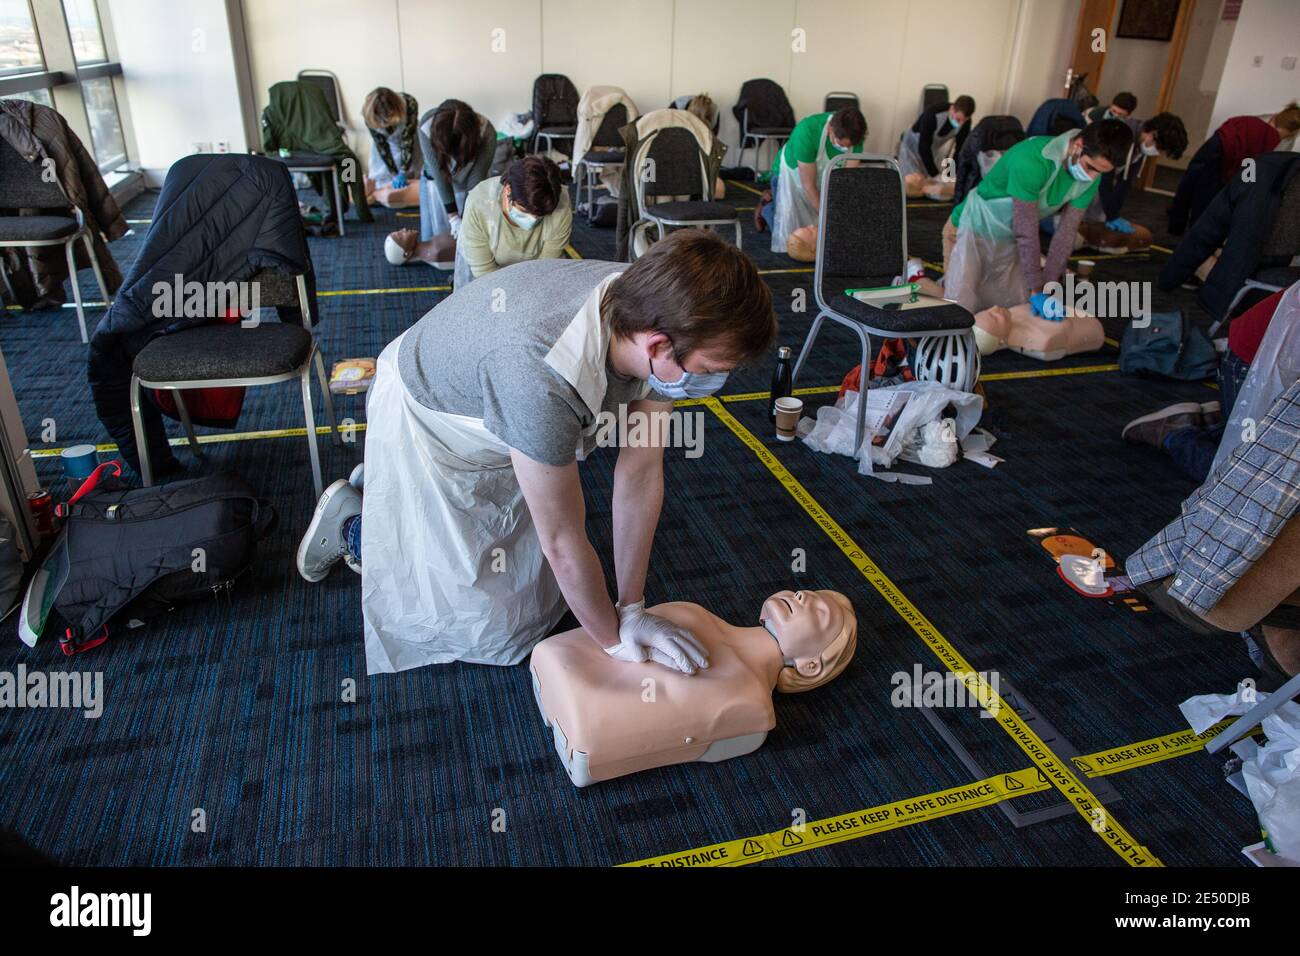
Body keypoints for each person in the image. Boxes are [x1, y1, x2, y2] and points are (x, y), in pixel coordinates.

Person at [296, 230, 778, 675]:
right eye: (714, 368)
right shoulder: (536, 378)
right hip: (430, 412)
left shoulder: (655, 304)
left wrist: (632, 607)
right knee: (488, 626)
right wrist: (612, 644)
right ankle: (355, 525)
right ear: (658, 346)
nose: (718, 382)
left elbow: (641, 472)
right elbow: (564, 542)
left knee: (536, 579)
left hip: (492, 381)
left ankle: (385, 490)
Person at [531, 590, 857, 786]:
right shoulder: (694, 612)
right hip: (566, 672)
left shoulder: (750, 703)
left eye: (818, 611)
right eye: (804, 592)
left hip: (585, 716)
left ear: (810, 665)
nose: (802, 597)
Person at [941, 119, 1132, 313]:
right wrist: (1036, 288)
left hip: (1007, 240)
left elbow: (1066, 234)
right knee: (961, 307)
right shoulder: (1032, 160)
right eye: (1091, 167)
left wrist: (1047, 288)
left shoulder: (1090, 178)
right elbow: (1026, 230)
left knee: (1005, 306)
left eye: (1101, 173)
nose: (1092, 178)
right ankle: (919, 279)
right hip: (968, 229)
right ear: (1078, 145)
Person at [1121, 285, 1290, 483]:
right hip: (1254, 362)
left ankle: (1221, 425)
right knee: (1248, 482)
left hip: (1275, 363)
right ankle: (1175, 433)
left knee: (1278, 464)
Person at [1167, 104, 1300, 235]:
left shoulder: (1258, 119)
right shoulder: (1271, 136)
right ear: (1290, 130)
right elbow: (1252, 163)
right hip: (1222, 156)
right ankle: (1196, 235)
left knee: (1189, 183)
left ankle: (1175, 227)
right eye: (1290, 135)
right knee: (1206, 197)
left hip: (1214, 144)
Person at [756, 107, 867, 253]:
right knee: (791, 236)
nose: (844, 149)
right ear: (831, 130)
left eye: (848, 147)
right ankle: (767, 207)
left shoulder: (854, 135)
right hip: (790, 175)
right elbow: (808, 185)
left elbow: (844, 184)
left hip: (821, 177)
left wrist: (838, 217)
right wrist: (828, 218)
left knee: (819, 228)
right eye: (840, 144)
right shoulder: (807, 131)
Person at [453, 155, 572, 288]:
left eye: (539, 216)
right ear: (508, 189)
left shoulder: (558, 202)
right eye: (525, 211)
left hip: (537, 272)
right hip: (486, 274)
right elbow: (484, 272)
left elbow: (545, 267)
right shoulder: (479, 203)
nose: (533, 220)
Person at [1077, 112, 1187, 252]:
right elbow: (1105, 177)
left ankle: (1088, 231)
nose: (1156, 152)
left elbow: (1125, 182)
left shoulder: (1140, 146)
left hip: (1100, 176)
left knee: (1099, 216)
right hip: (1085, 172)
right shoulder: (1123, 134)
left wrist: (1113, 214)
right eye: (1158, 147)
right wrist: (1112, 215)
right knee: (1082, 212)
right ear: (1153, 133)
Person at [418, 99, 499, 243]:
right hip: (435, 182)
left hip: (470, 181)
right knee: (433, 239)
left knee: (471, 231)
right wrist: (454, 217)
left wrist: (467, 216)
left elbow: (477, 176)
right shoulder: (426, 126)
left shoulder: (486, 132)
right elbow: (439, 174)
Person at [897, 95, 975, 198]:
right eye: (958, 119)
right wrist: (936, 175)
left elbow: (959, 151)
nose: (960, 123)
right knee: (911, 186)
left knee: (929, 184)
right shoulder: (932, 115)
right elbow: (923, 148)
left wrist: (950, 175)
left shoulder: (965, 123)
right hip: (911, 148)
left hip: (932, 150)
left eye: (963, 121)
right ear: (952, 109)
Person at [361, 87, 421, 209]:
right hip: (387, 145)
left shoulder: (410, 103)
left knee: (414, 176)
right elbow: (382, 147)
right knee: (382, 177)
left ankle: (384, 195)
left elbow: (407, 142)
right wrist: (394, 174)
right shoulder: (370, 114)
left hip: (411, 140)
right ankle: (378, 194)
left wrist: (403, 172)